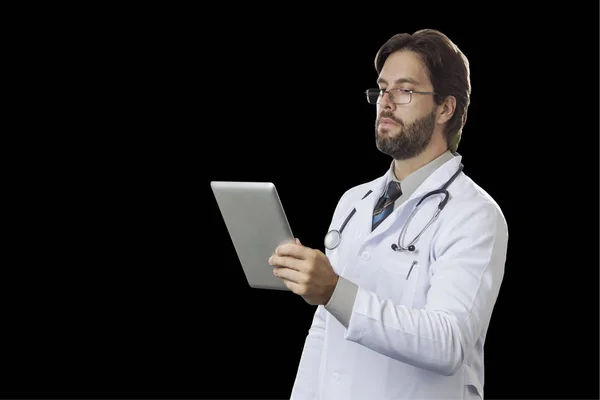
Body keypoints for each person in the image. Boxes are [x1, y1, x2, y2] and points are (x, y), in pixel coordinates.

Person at [268, 29, 508, 400]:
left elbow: (448, 343)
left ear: (446, 107)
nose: (386, 102)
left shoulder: (474, 214)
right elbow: (323, 330)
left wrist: (334, 290)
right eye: (382, 89)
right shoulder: (353, 202)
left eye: (405, 90)